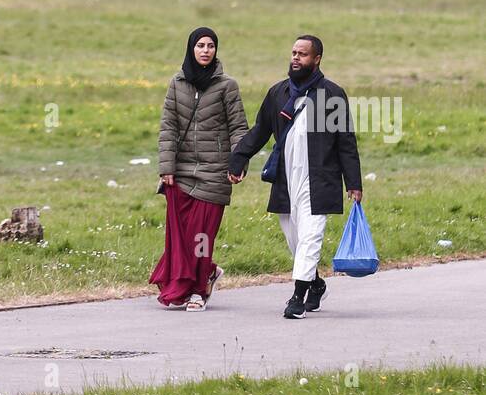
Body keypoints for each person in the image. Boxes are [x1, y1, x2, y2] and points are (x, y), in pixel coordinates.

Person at [227, 35, 362, 320]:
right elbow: (260, 130)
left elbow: (345, 141)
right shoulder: (278, 93)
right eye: (293, 53)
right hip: (285, 180)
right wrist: (239, 158)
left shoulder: (332, 95)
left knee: (310, 238)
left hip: (320, 180)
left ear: (317, 59)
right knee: (295, 241)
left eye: (302, 54)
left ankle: (297, 298)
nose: (296, 58)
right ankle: (315, 284)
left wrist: (353, 182)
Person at [150, 26, 248, 311]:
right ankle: (206, 273)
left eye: (211, 46)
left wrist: (238, 162)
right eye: (200, 45)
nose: (206, 50)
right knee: (181, 237)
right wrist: (166, 168)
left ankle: (198, 291)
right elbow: (168, 127)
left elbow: (238, 128)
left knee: (201, 237)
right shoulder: (177, 83)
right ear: (191, 49)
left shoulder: (227, 86)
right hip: (180, 173)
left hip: (214, 173)